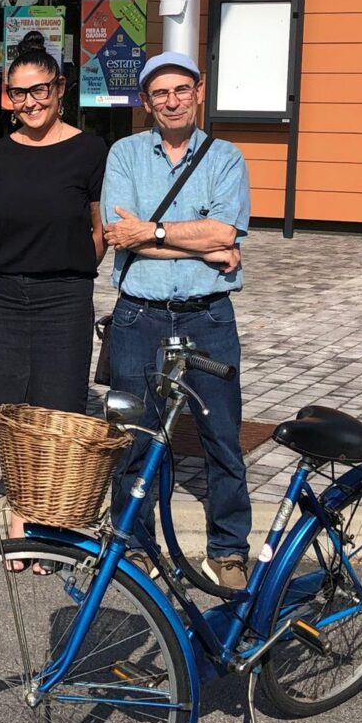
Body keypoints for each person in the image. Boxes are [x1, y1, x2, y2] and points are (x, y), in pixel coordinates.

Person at [101, 50, 251, 590]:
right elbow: (120, 235)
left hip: (208, 317)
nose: (171, 101)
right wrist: (202, 242)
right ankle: (134, 547)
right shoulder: (124, 154)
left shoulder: (226, 157)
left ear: (199, 91)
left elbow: (225, 234)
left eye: (180, 90)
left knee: (221, 436)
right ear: (147, 101)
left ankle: (229, 550)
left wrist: (155, 233)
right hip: (139, 318)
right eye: (159, 93)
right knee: (136, 436)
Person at [0, 48, 107, 568]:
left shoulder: (91, 149)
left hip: (65, 296)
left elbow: (99, 230)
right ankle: (19, 516)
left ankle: (51, 526)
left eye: (40, 89)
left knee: (60, 407)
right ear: (8, 97)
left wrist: (68, 266)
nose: (30, 101)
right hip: (4, 294)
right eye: (19, 92)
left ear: (59, 89)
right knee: (11, 410)